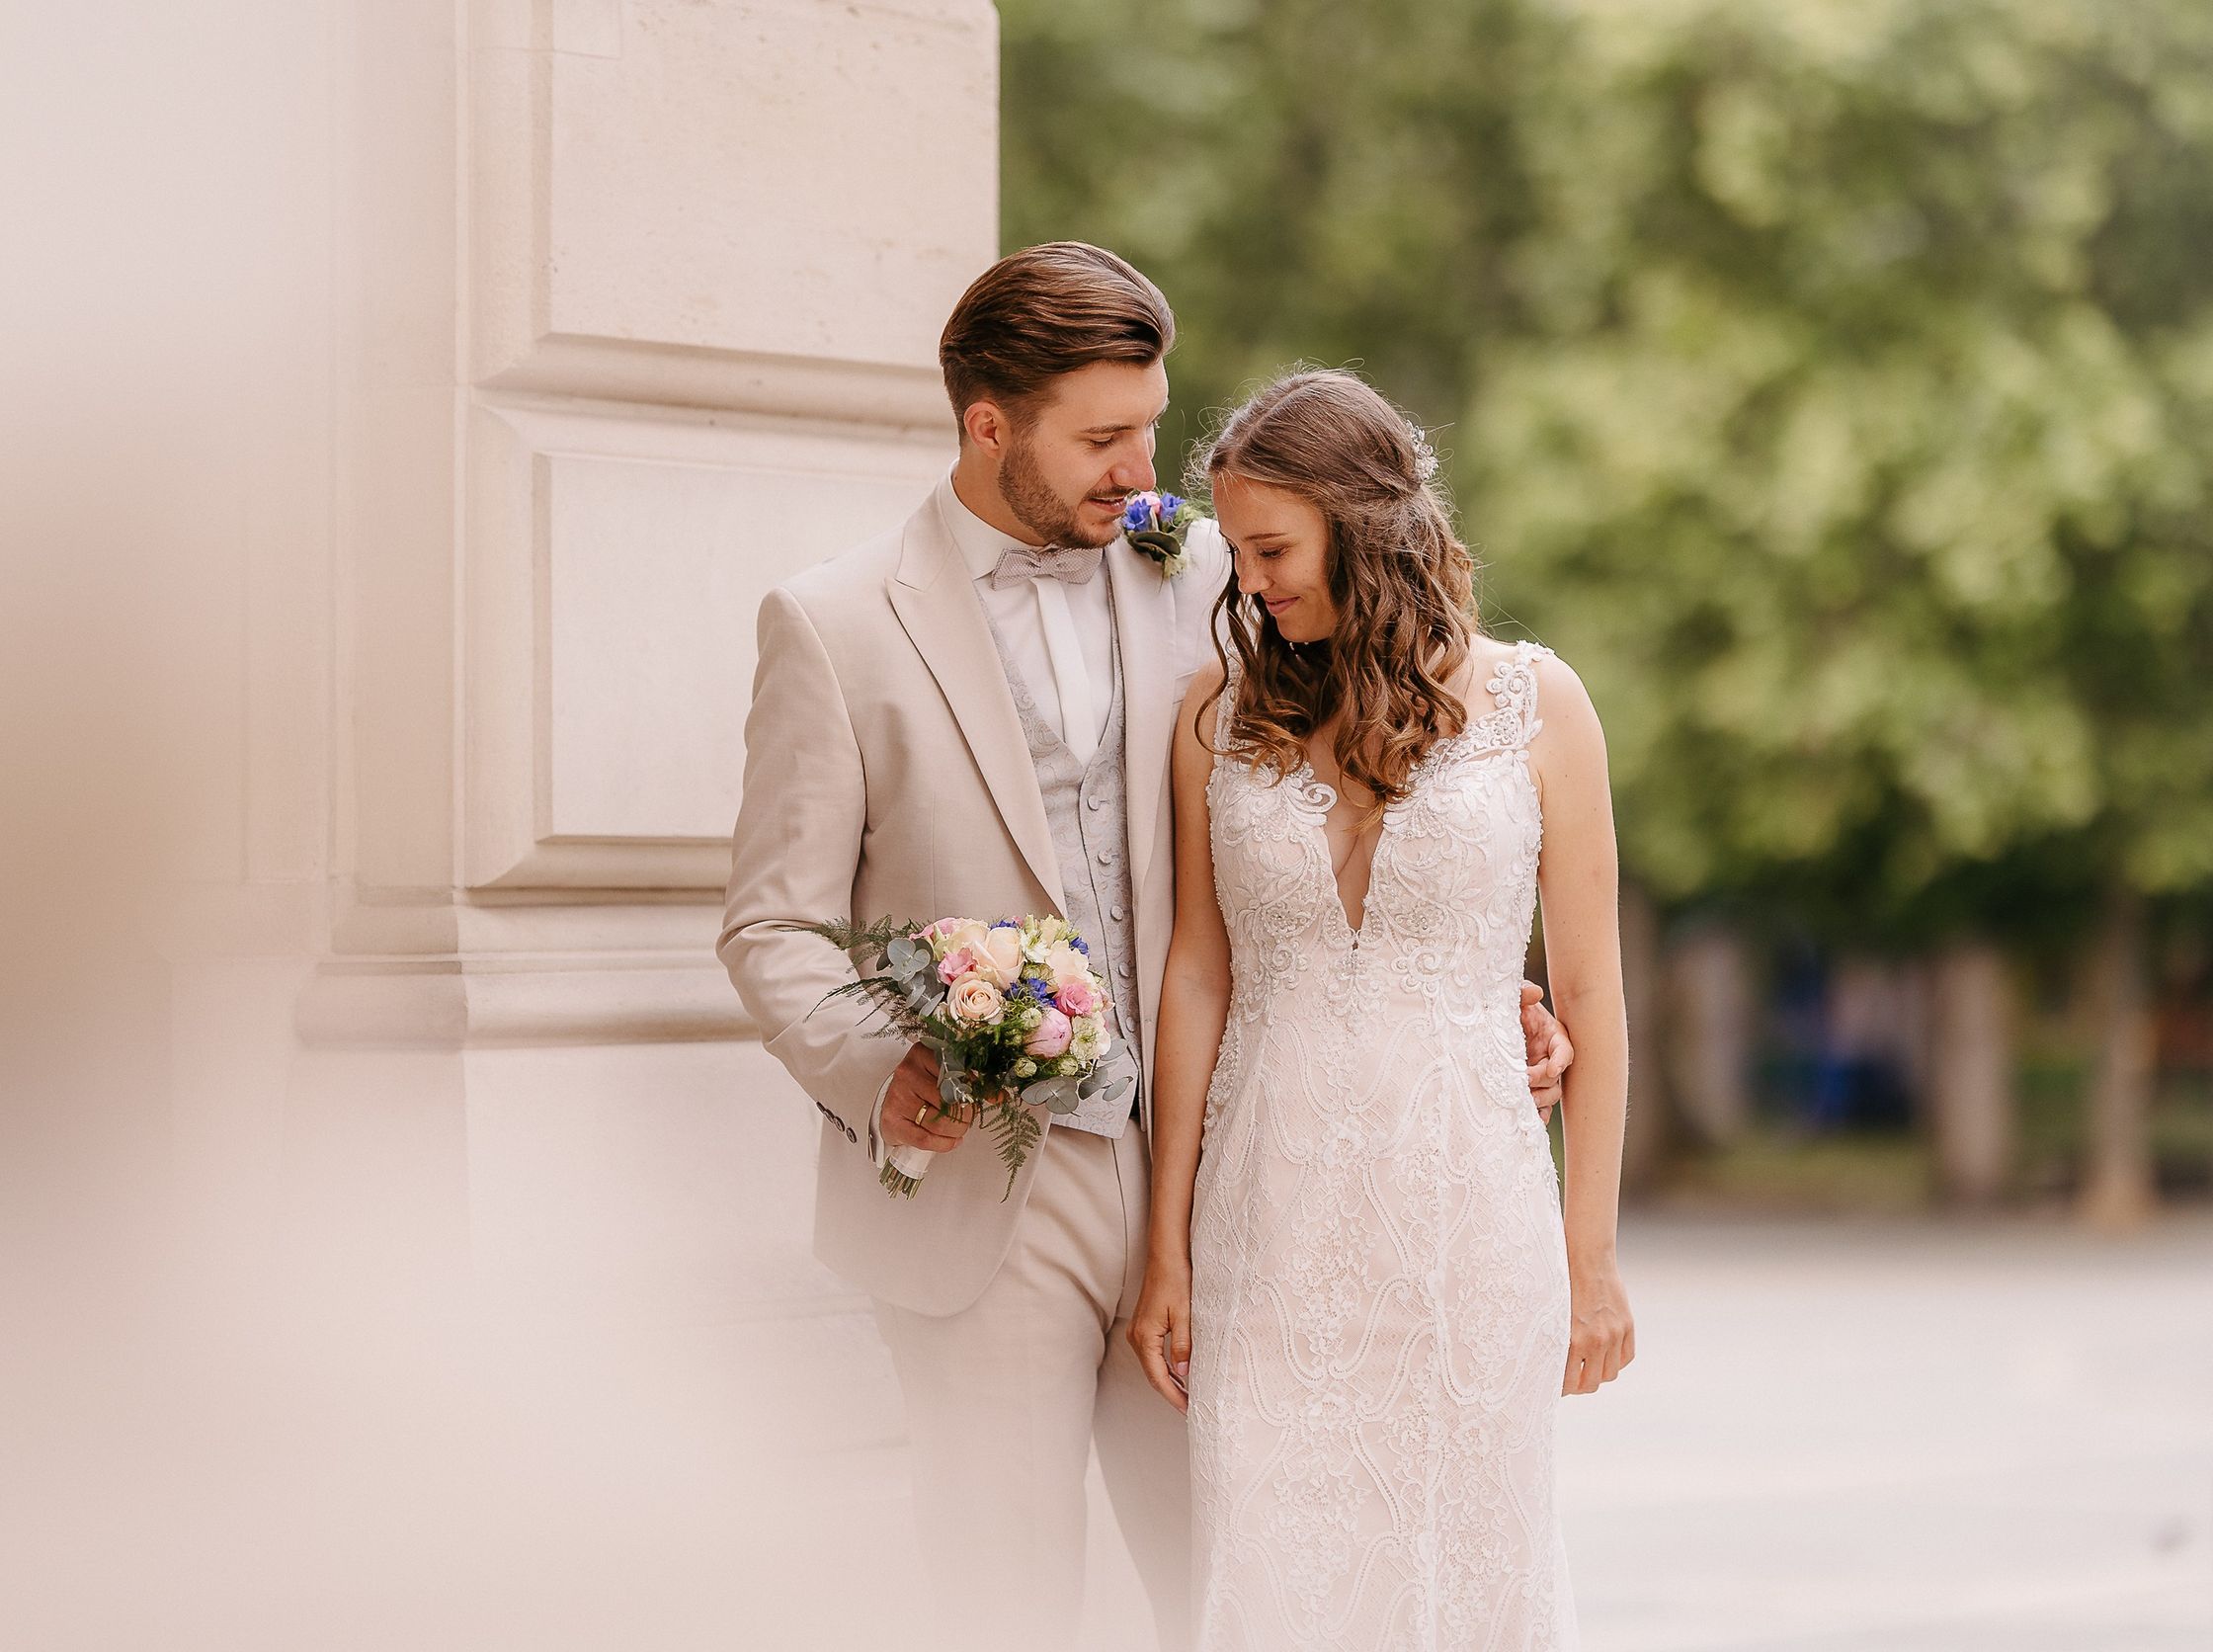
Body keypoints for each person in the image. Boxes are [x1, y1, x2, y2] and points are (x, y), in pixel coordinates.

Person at [718, 248, 1574, 1652]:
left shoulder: (1201, 569)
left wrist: (1465, 977)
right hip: (986, 1186)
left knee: (1242, 1585)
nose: (1142, 465)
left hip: (1228, 1172)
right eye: (1104, 437)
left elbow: (1347, 783)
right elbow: (771, 923)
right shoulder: (835, 626)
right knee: (1010, 1595)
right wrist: (887, 1064)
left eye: (1150, 425)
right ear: (989, 425)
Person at [1130, 369, 1634, 1650]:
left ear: (1361, 523)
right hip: (1267, 1224)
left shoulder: (1540, 706)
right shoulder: (1216, 716)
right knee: (1271, 1577)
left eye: (1271, 548)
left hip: (1468, 1227)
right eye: (1237, 552)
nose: (1249, 583)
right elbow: (1199, 974)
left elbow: (1590, 998)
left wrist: (1591, 1263)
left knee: (1466, 1577)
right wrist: (1169, 1248)